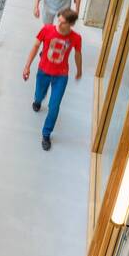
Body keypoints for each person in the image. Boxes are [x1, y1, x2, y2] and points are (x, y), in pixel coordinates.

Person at [22, 9, 83, 151]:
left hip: (61, 76)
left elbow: (78, 54)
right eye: (59, 20)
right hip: (43, 71)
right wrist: (27, 66)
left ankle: (46, 133)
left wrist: (79, 70)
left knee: (54, 106)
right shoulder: (47, 29)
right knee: (39, 95)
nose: (59, 24)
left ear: (71, 24)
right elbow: (36, 46)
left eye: (63, 23)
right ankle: (37, 101)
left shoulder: (76, 38)